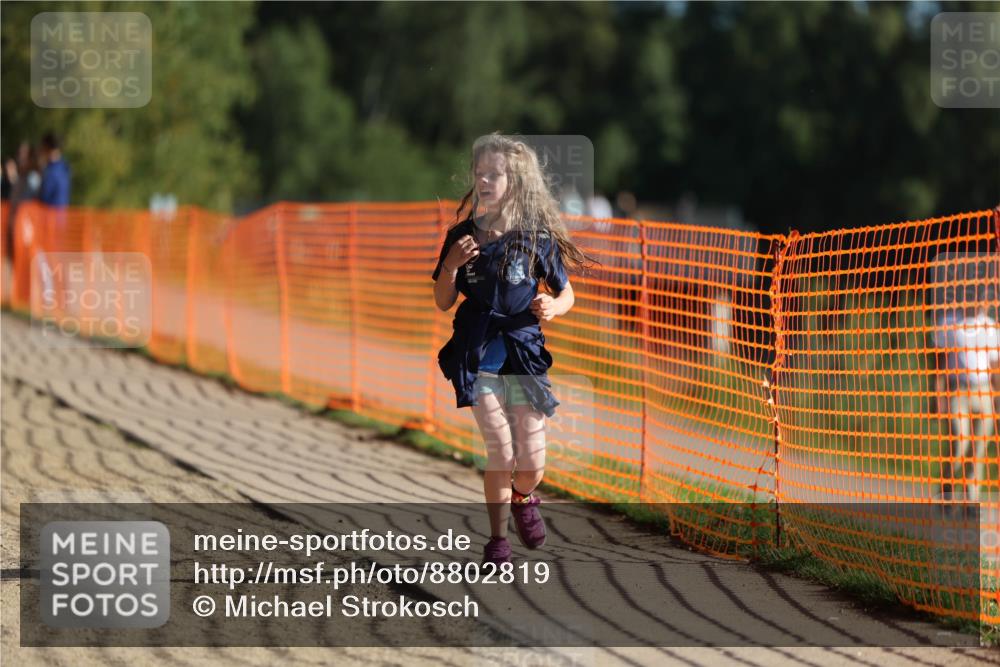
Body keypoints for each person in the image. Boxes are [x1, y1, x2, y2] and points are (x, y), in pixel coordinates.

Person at [432, 132, 594, 565]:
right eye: (479, 173)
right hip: (478, 353)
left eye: (495, 174)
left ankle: (525, 497)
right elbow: (444, 300)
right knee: (501, 451)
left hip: (523, 353)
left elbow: (567, 293)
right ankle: (498, 542)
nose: (484, 181)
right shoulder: (462, 236)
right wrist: (450, 266)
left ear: (516, 182)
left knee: (532, 462)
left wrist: (554, 307)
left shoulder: (536, 239)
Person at [932, 302, 1000, 506]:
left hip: (983, 392)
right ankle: (947, 491)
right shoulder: (951, 323)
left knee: (978, 450)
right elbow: (939, 363)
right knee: (959, 445)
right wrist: (937, 396)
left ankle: (971, 501)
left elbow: (994, 366)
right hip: (958, 391)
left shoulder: (990, 327)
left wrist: (996, 399)